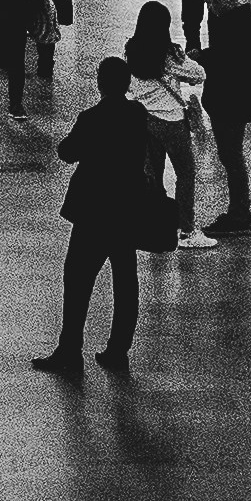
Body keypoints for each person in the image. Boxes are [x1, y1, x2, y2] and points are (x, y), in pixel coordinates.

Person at [39, 57, 161, 372]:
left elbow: (68, 152)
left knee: (78, 280)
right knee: (125, 281)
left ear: (100, 83)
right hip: (126, 211)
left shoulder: (92, 118)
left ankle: (69, 351)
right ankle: (118, 350)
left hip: (93, 213)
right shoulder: (137, 114)